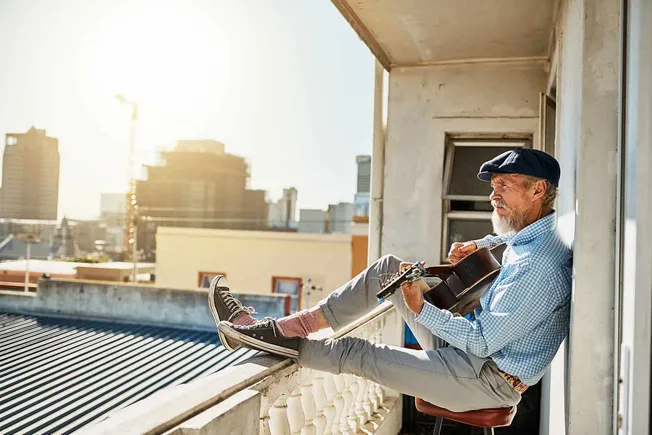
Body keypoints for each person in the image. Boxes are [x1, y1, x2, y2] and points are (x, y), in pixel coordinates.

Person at [208, 148, 572, 412]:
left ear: (538, 190)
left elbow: (481, 342)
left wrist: (419, 308)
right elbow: (511, 240)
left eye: (504, 185)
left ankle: (269, 338)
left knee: (354, 352)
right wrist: (481, 242)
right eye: (493, 186)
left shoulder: (540, 265)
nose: (493, 196)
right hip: (468, 351)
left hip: (485, 379)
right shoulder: (537, 234)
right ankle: (291, 326)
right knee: (389, 269)